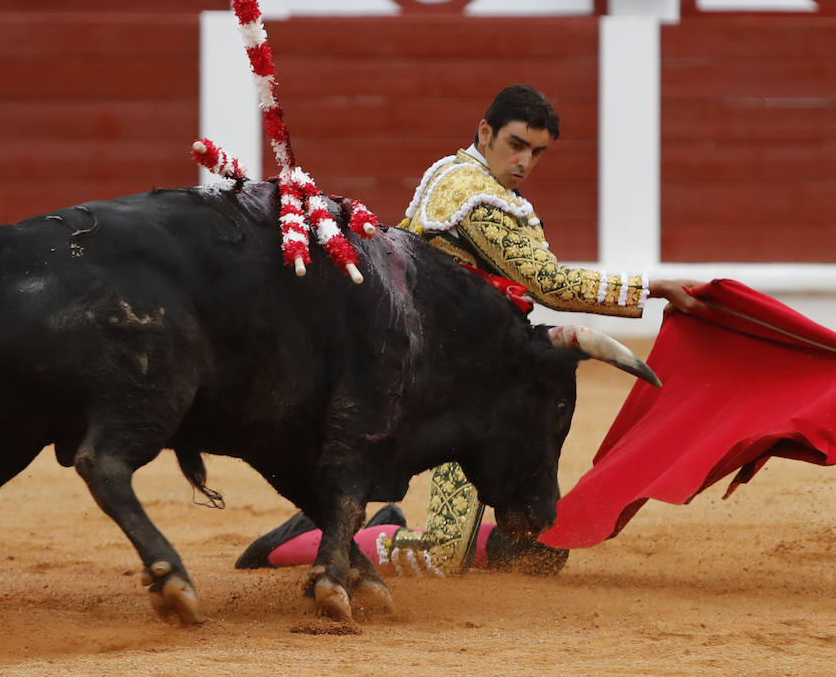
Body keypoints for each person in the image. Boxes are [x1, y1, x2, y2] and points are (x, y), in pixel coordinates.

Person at [237, 85, 704, 576]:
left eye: (537, 152)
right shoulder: (472, 195)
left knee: (533, 552)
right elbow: (549, 282)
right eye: (516, 144)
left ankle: (414, 523)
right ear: (486, 131)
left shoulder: (464, 175)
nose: (525, 161)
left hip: (451, 369)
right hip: (446, 385)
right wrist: (651, 287)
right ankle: (302, 540)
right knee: (443, 555)